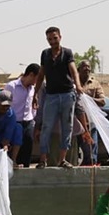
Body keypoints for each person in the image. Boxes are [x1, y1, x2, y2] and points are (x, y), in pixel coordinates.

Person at [35, 26, 84, 169]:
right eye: (49, 39)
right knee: (46, 127)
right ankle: (42, 160)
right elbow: (41, 75)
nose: (52, 41)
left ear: (60, 37)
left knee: (67, 127)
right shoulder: (45, 54)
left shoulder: (67, 53)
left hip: (67, 94)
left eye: (55, 38)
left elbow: (73, 71)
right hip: (51, 96)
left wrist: (78, 85)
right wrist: (35, 94)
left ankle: (62, 159)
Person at [4, 63, 39, 168]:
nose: (37, 81)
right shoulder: (11, 86)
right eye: (37, 78)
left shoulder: (33, 89)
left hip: (28, 123)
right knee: (12, 151)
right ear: (31, 75)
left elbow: (33, 105)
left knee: (27, 149)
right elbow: (4, 105)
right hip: (14, 122)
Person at [78, 60, 106, 165]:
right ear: (78, 70)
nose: (87, 69)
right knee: (76, 151)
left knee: (91, 150)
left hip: (91, 122)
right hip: (76, 122)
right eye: (84, 67)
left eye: (88, 67)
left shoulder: (95, 83)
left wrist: (87, 99)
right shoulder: (74, 83)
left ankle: (91, 168)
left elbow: (102, 101)